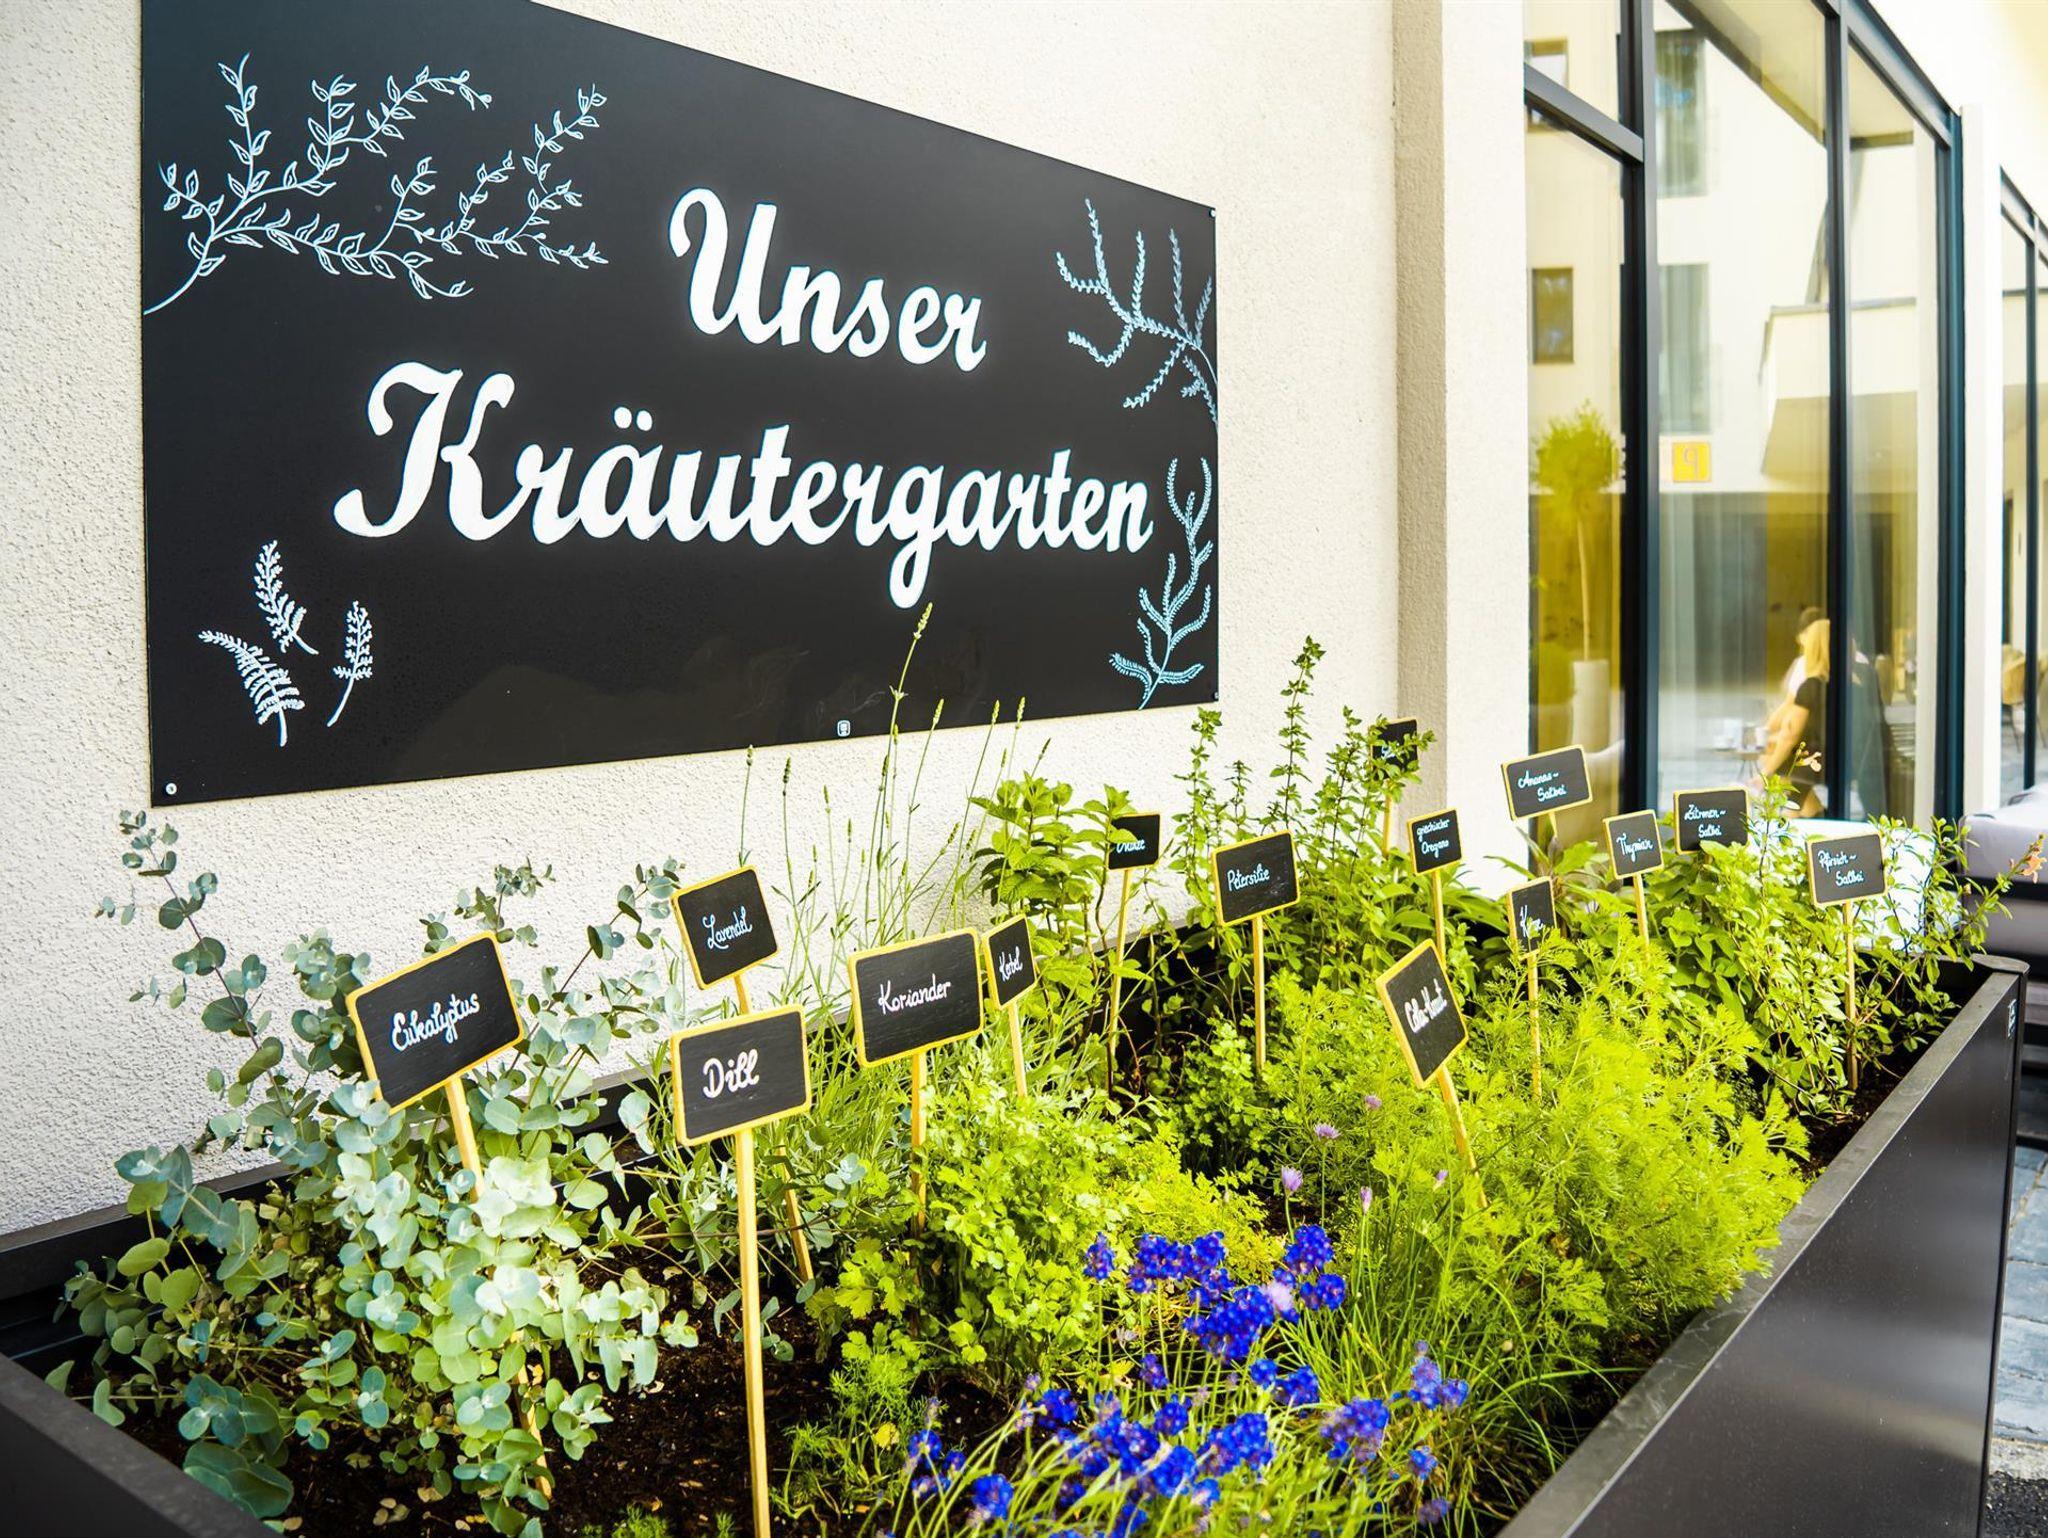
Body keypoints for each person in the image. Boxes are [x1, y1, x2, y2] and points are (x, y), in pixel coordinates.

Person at [1759, 617, 1828, 816]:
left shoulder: (1812, 685)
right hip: (1836, 755)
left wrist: (1766, 772)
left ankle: (1803, 815)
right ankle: (1808, 813)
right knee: (1782, 752)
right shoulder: (1849, 681)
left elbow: (1791, 733)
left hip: (1815, 758)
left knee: (1776, 753)